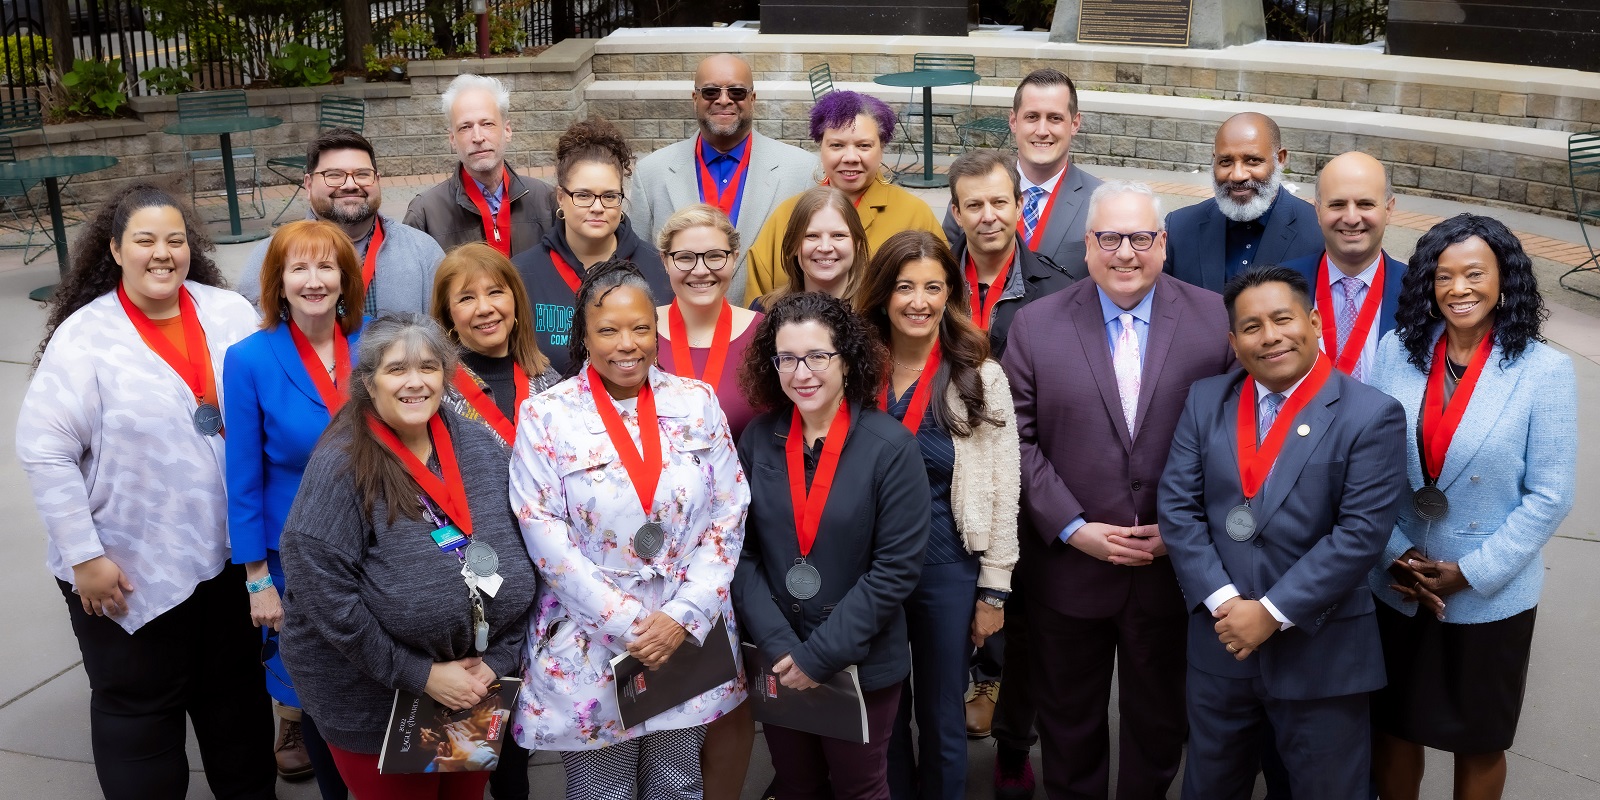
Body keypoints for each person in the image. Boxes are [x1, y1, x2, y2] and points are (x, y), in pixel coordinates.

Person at [17, 184, 275, 800]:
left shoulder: (228, 313)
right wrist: (85, 556)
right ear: (114, 249)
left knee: (234, 703)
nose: (163, 254)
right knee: (140, 713)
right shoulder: (85, 337)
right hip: (124, 567)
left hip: (226, 560)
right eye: (145, 241)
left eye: (176, 240)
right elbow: (44, 449)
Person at [999, 181, 1236, 800]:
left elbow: (1238, 437)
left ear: (1162, 243)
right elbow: (1016, 440)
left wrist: (1183, 531)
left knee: (1159, 726)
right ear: (1088, 244)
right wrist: (1074, 527)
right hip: (1068, 568)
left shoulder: (1215, 320)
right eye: (1109, 238)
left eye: (1139, 237)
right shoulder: (1036, 324)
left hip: (1170, 569)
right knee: (1068, 724)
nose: (1124, 252)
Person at [1159, 265, 1409, 800]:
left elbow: (1361, 535)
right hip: (1222, 646)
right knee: (1209, 786)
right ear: (1233, 340)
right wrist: (1227, 605)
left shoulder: (1371, 414)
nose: (1269, 336)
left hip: (1321, 655)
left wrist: (1269, 613)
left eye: (1282, 319)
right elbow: (1178, 509)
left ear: (1314, 321)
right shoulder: (1206, 400)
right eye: (1251, 327)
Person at [509, 260, 749, 800]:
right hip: (593, 633)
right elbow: (541, 527)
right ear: (584, 336)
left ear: (656, 330)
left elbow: (730, 511)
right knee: (602, 791)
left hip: (686, 629)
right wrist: (632, 624)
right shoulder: (546, 415)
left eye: (640, 328)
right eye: (608, 329)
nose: (627, 344)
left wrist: (681, 617)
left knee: (677, 783)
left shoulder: (696, 401)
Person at [278, 314, 540, 799]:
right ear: (367, 382)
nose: (415, 382)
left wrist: (495, 662)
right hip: (376, 702)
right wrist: (421, 675)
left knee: (461, 797)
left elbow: (532, 559)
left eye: (429, 367)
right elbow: (322, 595)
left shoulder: (477, 444)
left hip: (475, 689)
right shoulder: (342, 463)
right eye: (397, 370)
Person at [1368, 214, 1575, 800]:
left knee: (1480, 739)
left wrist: (1472, 572)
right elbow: (1372, 472)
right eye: (1444, 275)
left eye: (1475, 274)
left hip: (1490, 595)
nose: (1458, 288)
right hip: (1401, 583)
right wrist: (1392, 554)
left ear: (1504, 281)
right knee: (1394, 727)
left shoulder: (1544, 371)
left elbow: (1551, 494)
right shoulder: (1396, 353)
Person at [733, 292, 932, 800]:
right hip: (778, 656)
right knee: (796, 785)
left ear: (847, 358)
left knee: (860, 788)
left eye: (818, 356)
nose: (803, 372)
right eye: (787, 358)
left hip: (860, 663)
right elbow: (740, 553)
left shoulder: (890, 447)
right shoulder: (758, 439)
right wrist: (781, 647)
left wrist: (819, 656)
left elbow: (896, 570)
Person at [854, 231, 1020, 800]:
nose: (918, 301)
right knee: (882, 714)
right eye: (904, 287)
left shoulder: (979, 375)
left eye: (932, 287)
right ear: (882, 294)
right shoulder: (853, 372)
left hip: (946, 568)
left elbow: (1004, 488)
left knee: (943, 714)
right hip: (867, 569)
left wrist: (993, 592)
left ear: (950, 293)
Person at [225, 219, 366, 792]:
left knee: (378, 679)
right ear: (278, 283)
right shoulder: (250, 359)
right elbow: (242, 474)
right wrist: (258, 577)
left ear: (344, 279)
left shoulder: (377, 343)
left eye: (326, 266)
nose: (314, 280)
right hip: (297, 558)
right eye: (299, 268)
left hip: (377, 547)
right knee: (314, 692)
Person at [629, 53, 819, 304]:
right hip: (677, 335)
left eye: (737, 92)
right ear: (694, 99)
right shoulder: (651, 172)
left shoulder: (802, 171)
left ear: (752, 99)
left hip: (768, 333)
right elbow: (637, 268)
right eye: (710, 92)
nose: (724, 99)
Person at [742, 90, 945, 305]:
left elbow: (940, 296)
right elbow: (757, 311)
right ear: (820, 147)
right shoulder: (786, 215)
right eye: (837, 145)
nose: (850, 158)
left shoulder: (915, 215)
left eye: (863, 146)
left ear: (882, 148)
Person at [509, 116, 670, 376]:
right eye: (583, 195)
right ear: (561, 197)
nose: (597, 207)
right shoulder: (522, 273)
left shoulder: (657, 269)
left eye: (609, 196)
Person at [239, 128, 445, 315]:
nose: (350, 185)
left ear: (378, 181)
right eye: (334, 175)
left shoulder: (423, 252)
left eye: (363, 174)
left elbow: (444, 335)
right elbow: (255, 333)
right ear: (308, 185)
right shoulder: (269, 256)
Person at [941, 68, 1103, 280]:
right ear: (1014, 121)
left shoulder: (1101, 201)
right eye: (1032, 117)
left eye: (1055, 118)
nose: (1042, 130)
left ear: (1074, 124)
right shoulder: (972, 191)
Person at [1282, 152, 1407, 383]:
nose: (1351, 218)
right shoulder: (1280, 286)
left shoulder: (1418, 290)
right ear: (1318, 211)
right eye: (1337, 204)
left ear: (1388, 210)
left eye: (1365, 204)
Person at [405, 73, 560, 258]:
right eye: (465, 127)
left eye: (487, 123)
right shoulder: (424, 214)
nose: (478, 137)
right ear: (452, 139)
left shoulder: (547, 201)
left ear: (507, 130)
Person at [1164, 112, 1322, 293]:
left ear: (1279, 159)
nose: (1238, 175)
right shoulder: (1178, 228)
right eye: (1226, 162)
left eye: (1253, 161)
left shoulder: (1318, 232)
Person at [944, 148, 1075, 359]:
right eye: (975, 205)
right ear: (957, 214)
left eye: (999, 203)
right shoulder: (932, 283)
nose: (988, 216)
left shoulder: (1058, 293)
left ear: (1018, 206)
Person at [432, 242, 563, 449]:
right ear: (449, 314)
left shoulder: (552, 384)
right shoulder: (435, 392)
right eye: (467, 298)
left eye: (495, 292)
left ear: (515, 300)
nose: (484, 308)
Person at [654, 203, 764, 443]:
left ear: (734, 258)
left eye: (715, 256)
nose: (701, 270)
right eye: (685, 258)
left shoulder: (765, 334)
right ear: (665, 261)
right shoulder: (639, 332)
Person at [752, 185, 870, 312]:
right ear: (794, 245)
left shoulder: (875, 312)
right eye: (812, 236)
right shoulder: (765, 310)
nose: (825, 248)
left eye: (838, 235)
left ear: (857, 244)